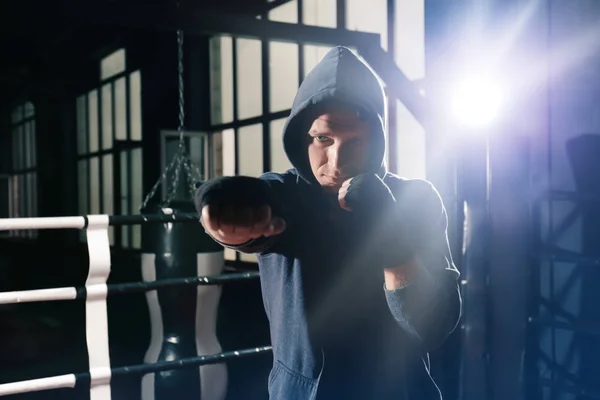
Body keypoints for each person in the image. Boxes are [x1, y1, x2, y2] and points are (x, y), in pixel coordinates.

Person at [195, 46, 461, 399]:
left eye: (355, 142)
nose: (336, 160)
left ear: (377, 140)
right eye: (323, 139)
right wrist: (219, 206)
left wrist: (392, 238)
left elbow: (435, 327)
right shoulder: (285, 196)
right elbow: (252, 206)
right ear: (300, 137)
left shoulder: (417, 201)